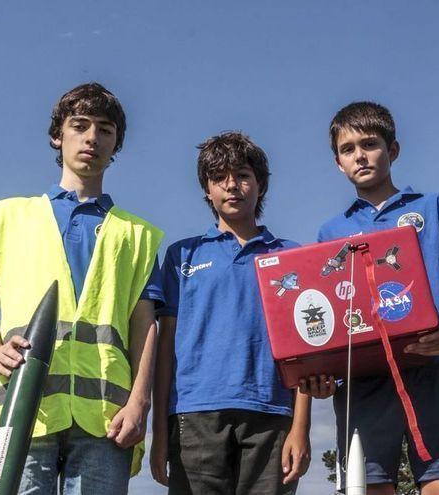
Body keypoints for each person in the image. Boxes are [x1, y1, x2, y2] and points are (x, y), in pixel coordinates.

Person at [0, 82, 164, 493]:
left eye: (105, 129)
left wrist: (138, 403)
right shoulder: (12, 219)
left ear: (116, 144)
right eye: (80, 125)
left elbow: (146, 326)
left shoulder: (137, 236)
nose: (92, 137)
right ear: (58, 135)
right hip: (23, 406)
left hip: (106, 419)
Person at [304, 101, 439, 495]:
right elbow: (327, 323)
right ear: (338, 163)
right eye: (348, 149)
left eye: (369, 144)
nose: (360, 156)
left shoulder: (432, 208)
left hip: (433, 366)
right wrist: (322, 373)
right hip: (363, 378)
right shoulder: (330, 232)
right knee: (370, 486)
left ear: (393, 150)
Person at [150, 131, 311, 494]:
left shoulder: (290, 256)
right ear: (207, 189)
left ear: (260, 184)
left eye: (242, 175)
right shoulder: (182, 256)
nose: (232, 185)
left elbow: (304, 348)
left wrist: (300, 428)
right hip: (195, 414)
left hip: (272, 413)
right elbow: (166, 350)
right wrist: (159, 432)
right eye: (219, 177)